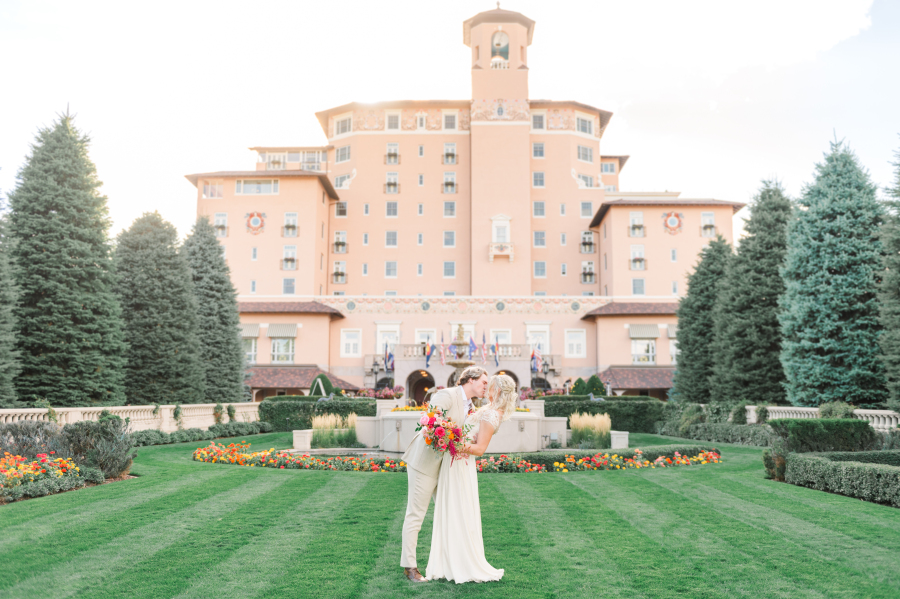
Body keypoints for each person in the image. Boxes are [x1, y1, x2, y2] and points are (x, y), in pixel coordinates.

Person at [399, 366, 488, 583]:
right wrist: (455, 437)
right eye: (484, 382)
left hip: (449, 470)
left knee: (450, 515)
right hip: (425, 463)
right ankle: (409, 567)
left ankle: (449, 565)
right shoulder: (447, 395)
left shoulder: (472, 406)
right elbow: (431, 421)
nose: (486, 386)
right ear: (470, 379)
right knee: (416, 515)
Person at [425, 374, 517, 584]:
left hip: (461, 463)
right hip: (455, 461)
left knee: (459, 510)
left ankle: (461, 562)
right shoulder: (487, 410)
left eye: (489, 385)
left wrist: (450, 442)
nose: (486, 388)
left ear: (497, 390)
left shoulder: (492, 414)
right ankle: (446, 561)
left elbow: (480, 449)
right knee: (451, 509)